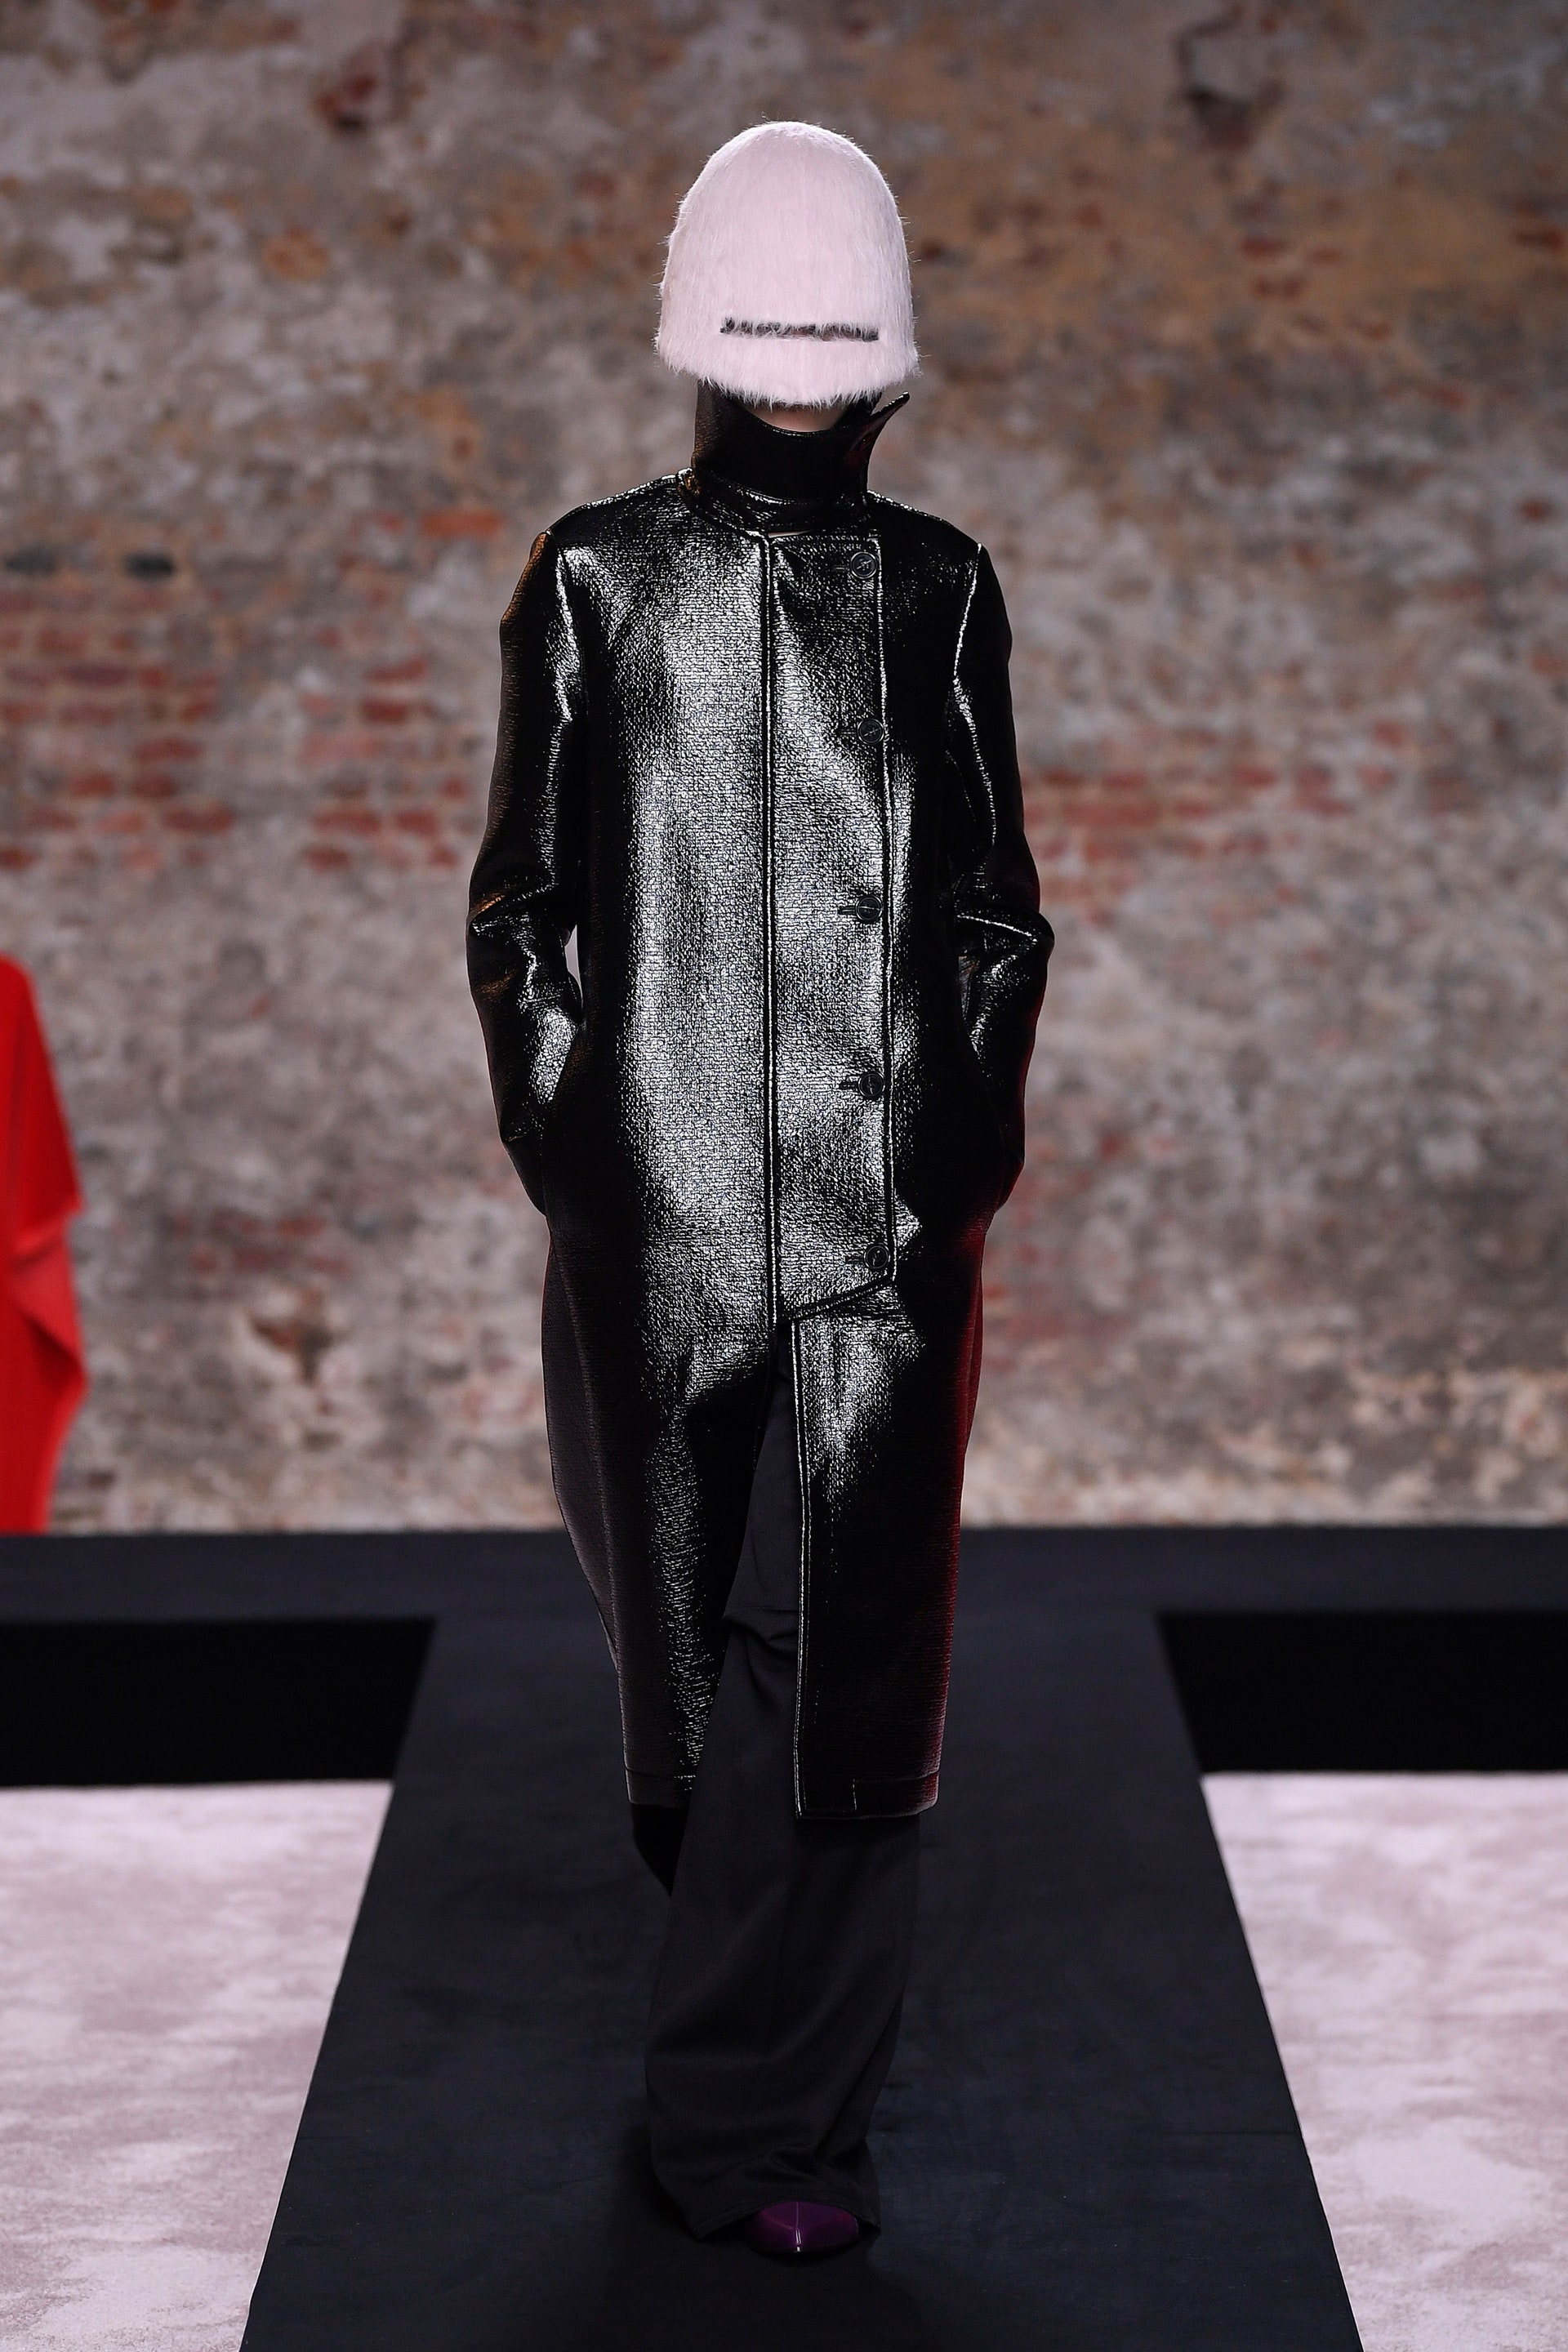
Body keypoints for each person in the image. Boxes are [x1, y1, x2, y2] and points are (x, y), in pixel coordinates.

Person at [467, 120, 1051, 2259]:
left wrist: (953, 1158)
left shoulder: (941, 590)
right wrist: (591, 1154)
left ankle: (764, 2128)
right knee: (692, 1662)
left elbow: (993, 913)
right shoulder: (596, 581)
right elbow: (523, 916)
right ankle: (767, 2104)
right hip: (668, 1217)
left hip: (882, 1232)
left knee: (846, 1669)